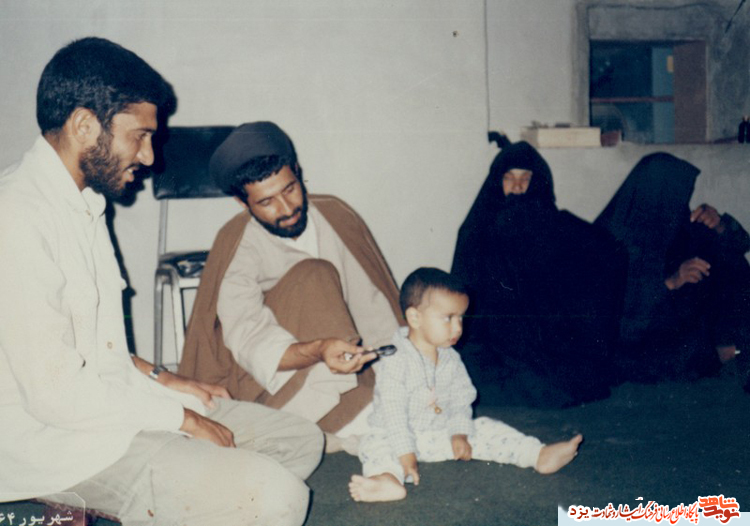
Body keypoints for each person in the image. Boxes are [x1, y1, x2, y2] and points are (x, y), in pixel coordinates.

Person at [0, 37, 323, 526]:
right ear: (85, 126)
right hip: (59, 446)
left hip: (113, 409)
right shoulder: (16, 216)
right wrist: (182, 419)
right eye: (140, 136)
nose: (150, 157)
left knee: (299, 440)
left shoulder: (85, 203)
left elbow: (98, 350)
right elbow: (54, 394)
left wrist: (167, 381)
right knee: (280, 498)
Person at [178, 121, 404, 441]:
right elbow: (249, 339)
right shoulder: (238, 244)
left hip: (347, 366)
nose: (287, 209)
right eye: (266, 202)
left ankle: (360, 416)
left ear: (298, 172)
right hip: (269, 386)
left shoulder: (336, 217)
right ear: (243, 203)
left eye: (289, 189)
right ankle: (349, 420)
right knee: (315, 274)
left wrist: (407, 375)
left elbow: (373, 307)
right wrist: (320, 350)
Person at [347, 267, 582, 502]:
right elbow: (394, 413)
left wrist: (458, 432)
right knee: (376, 446)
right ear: (415, 318)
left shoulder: (450, 358)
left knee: (485, 427)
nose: (458, 328)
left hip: (437, 433)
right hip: (395, 434)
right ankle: (385, 479)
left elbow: (461, 398)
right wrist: (405, 452)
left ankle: (536, 454)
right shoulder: (396, 360)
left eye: (461, 317)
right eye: (448, 318)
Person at [451, 141, 625, 408]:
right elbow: (466, 292)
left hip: (547, 333)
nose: (517, 187)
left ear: (537, 181)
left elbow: (603, 253)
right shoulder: (476, 229)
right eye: (509, 178)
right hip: (496, 335)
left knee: (564, 377)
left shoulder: (552, 224)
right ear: (496, 182)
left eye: (525, 178)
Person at [594, 152, 750, 383]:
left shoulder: (679, 226)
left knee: (728, 262)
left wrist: (719, 224)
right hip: (638, 341)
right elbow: (620, 317)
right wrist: (671, 282)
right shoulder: (612, 239)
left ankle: (728, 350)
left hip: (682, 331)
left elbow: (739, 249)